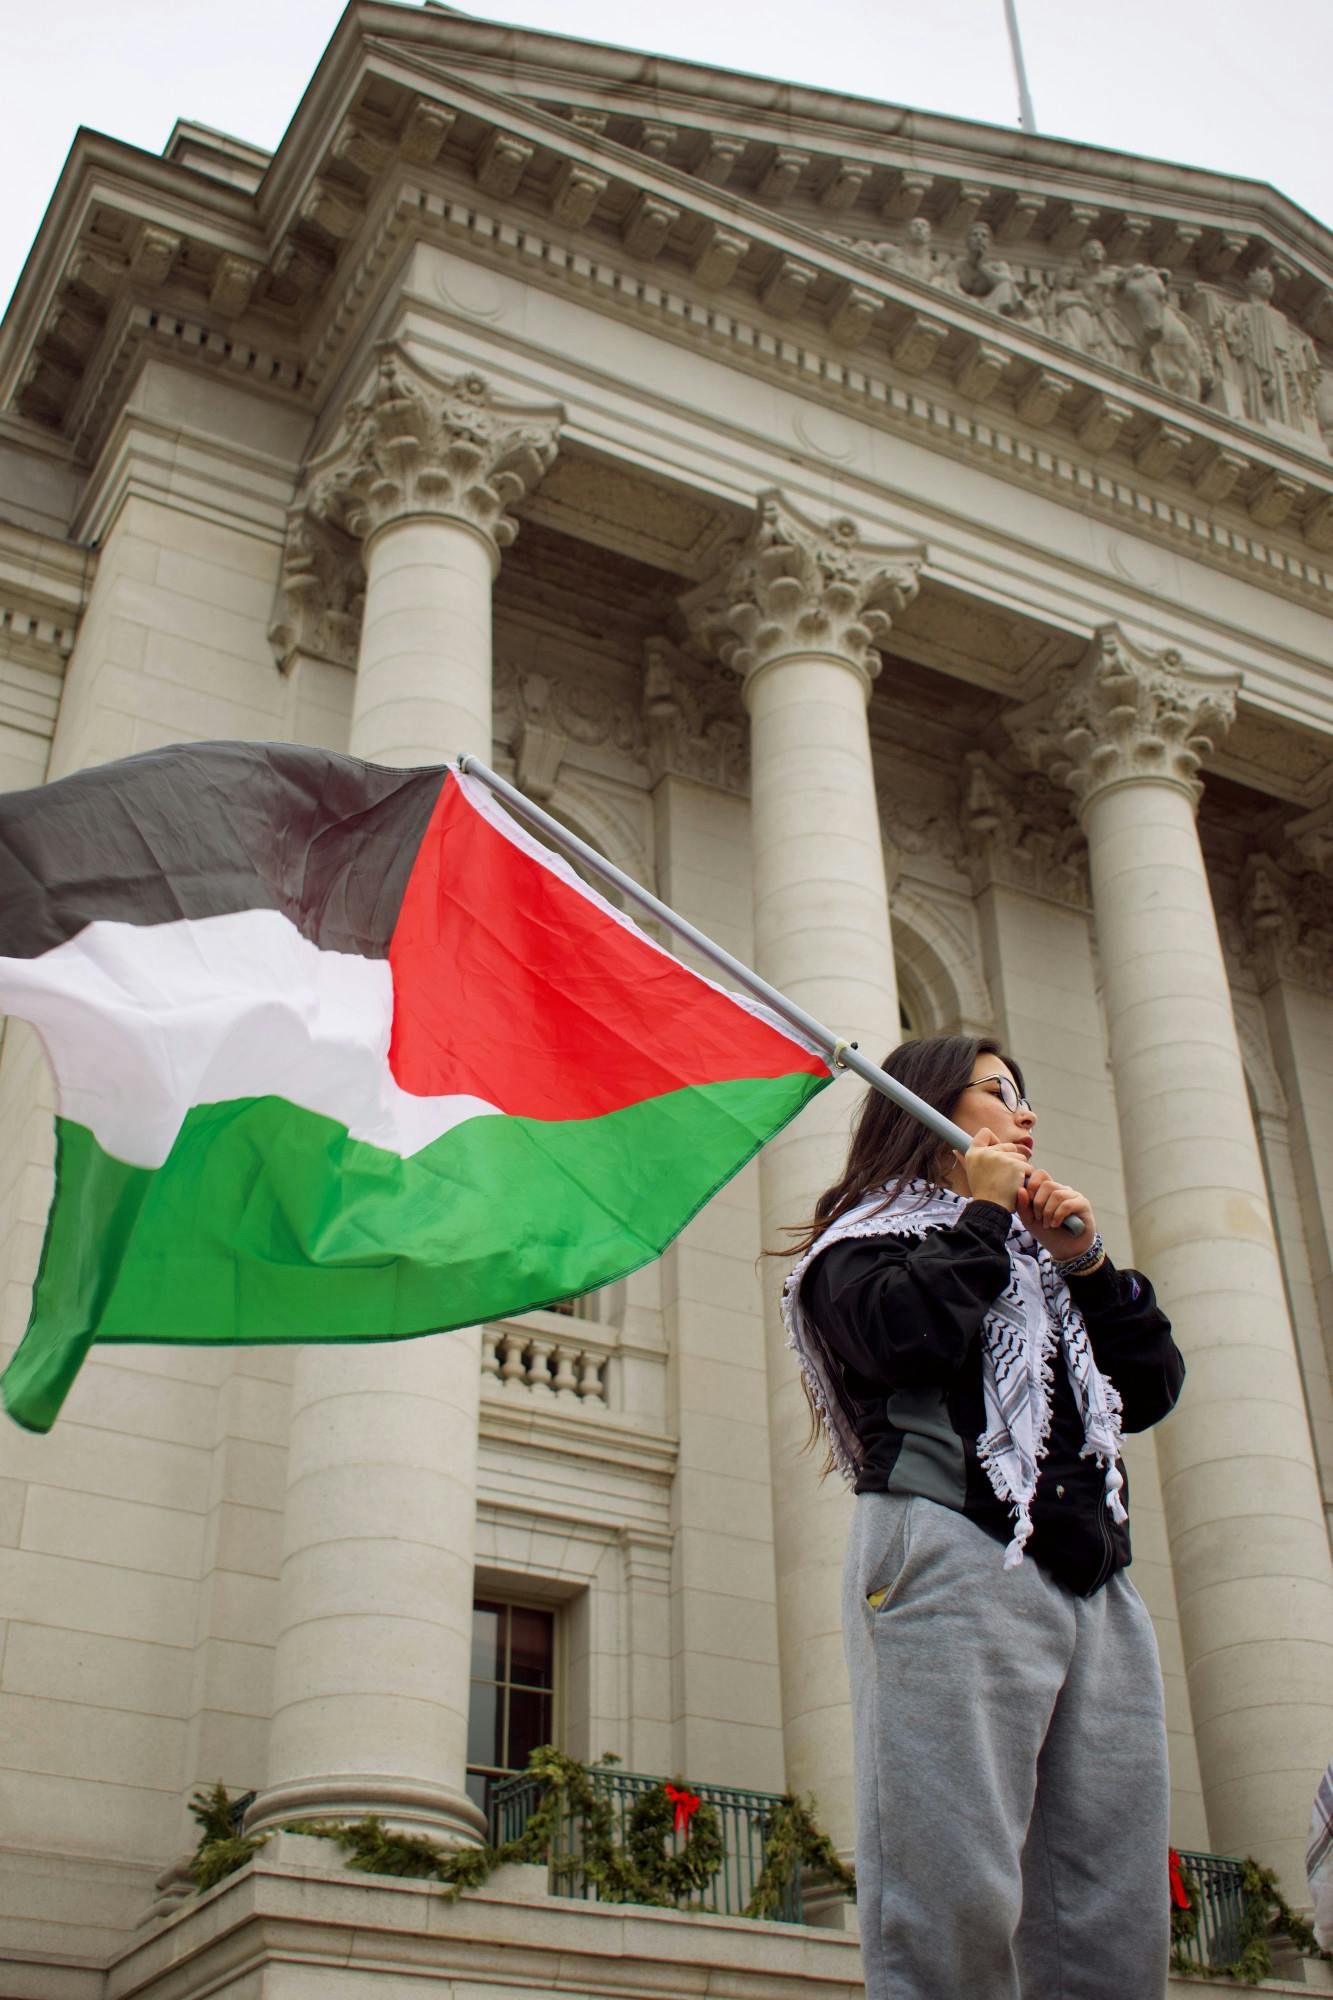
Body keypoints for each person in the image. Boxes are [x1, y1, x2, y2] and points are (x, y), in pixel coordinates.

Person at [782, 1034, 1185, 2000]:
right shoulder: (863, 1241)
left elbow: (1151, 1384)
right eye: (999, 1092)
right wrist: (979, 1213)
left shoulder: (1041, 1259)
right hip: (949, 1552)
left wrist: (1084, 1262)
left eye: (1026, 1092)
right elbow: (903, 1340)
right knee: (949, 1884)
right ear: (928, 1107)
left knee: (1110, 1904)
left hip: (1092, 1579)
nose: (1025, 1113)